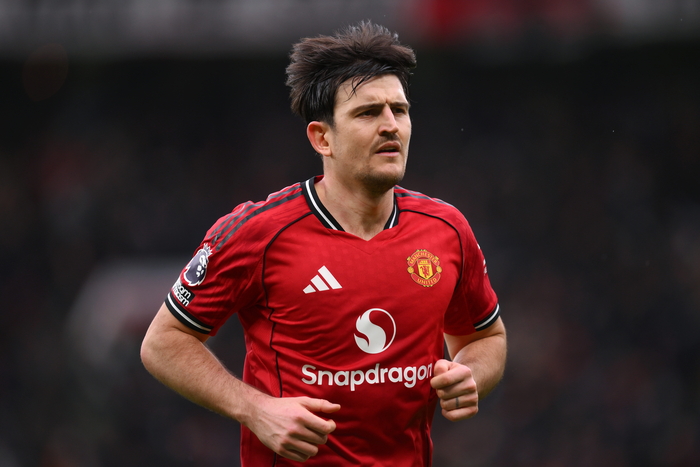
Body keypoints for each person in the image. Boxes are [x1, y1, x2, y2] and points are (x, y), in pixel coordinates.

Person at [141, 21, 507, 466]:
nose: (391, 125)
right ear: (322, 138)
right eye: (368, 113)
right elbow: (163, 342)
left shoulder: (446, 229)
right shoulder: (258, 233)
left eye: (400, 110)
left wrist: (471, 374)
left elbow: (486, 336)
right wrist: (254, 409)